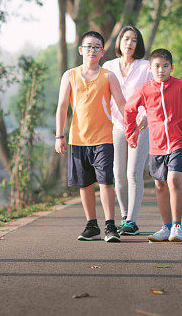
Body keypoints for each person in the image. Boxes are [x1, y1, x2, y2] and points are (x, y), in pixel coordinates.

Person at [124, 48, 182, 242]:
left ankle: (177, 226)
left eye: (165, 66)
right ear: (150, 69)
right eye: (157, 66)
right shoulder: (144, 89)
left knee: (173, 180)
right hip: (157, 145)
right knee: (159, 185)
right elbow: (129, 109)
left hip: (179, 142)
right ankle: (166, 227)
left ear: (172, 67)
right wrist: (130, 135)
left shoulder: (181, 86)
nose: (161, 70)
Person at [55, 31, 126, 242]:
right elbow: (61, 106)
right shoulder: (69, 75)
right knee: (84, 184)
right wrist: (59, 136)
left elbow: (122, 105)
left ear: (102, 52)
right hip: (78, 139)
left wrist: (131, 128)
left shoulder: (108, 76)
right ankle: (91, 225)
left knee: (106, 182)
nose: (92, 50)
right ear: (80, 50)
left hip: (104, 138)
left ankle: (110, 226)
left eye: (96, 47)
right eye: (88, 46)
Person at [103, 26, 152, 236]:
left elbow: (155, 93)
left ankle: (132, 220)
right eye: (126, 39)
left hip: (140, 125)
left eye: (134, 40)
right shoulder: (108, 66)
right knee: (118, 173)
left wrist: (147, 115)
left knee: (133, 173)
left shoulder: (146, 67)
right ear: (119, 41)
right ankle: (125, 217)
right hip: (116, 125)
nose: (129, 43)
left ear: (138, 44)